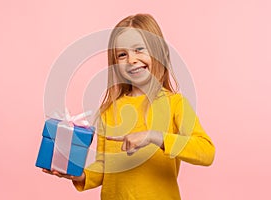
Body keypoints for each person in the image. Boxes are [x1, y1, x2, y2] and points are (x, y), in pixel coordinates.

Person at [43, 13, 215, 200]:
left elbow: (206, 152)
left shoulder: (175, 104)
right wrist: (80, 175)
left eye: (139, 49)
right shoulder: (109, 110)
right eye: (122, 54)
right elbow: (103, 168)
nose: (131, 59)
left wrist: (154, 137)